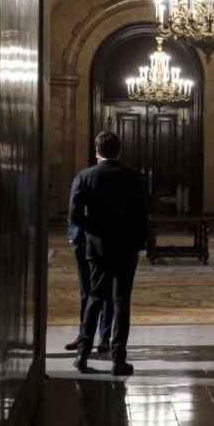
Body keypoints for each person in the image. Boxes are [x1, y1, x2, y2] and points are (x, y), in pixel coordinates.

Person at [69, 131, 150, 374]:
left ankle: (82, 356)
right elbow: (142, 217)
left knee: (95, 299)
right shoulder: (135, 178)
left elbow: (74, 216)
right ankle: (118, 360)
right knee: (122, 303)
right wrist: (139, 244)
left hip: (97, 249)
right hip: (126, 249)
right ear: (119, 151)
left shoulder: (84, 177)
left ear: (97, 151)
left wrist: (96, 232)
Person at [63, 184, 110, 353]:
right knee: (86, 291)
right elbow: (73, 211)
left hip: (103, 240)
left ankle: (104, 338)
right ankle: (84, 336)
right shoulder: (83, 179)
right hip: (82, 240)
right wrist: (72, 236)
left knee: (105, 291)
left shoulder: (109, 179)